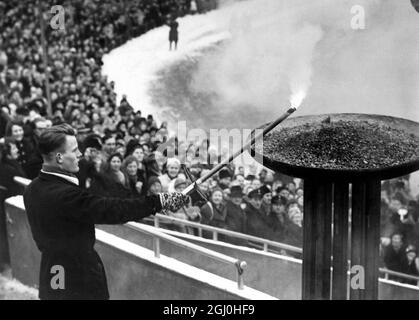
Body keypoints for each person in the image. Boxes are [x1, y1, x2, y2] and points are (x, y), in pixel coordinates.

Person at [23, 124, 188, 300]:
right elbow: (112, 209)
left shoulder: (32, 189)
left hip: (52, 272)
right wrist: (158, 201)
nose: (80, 154)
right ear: (59, 157)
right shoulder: (66, 195)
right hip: (79, 280)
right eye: (75, 150)